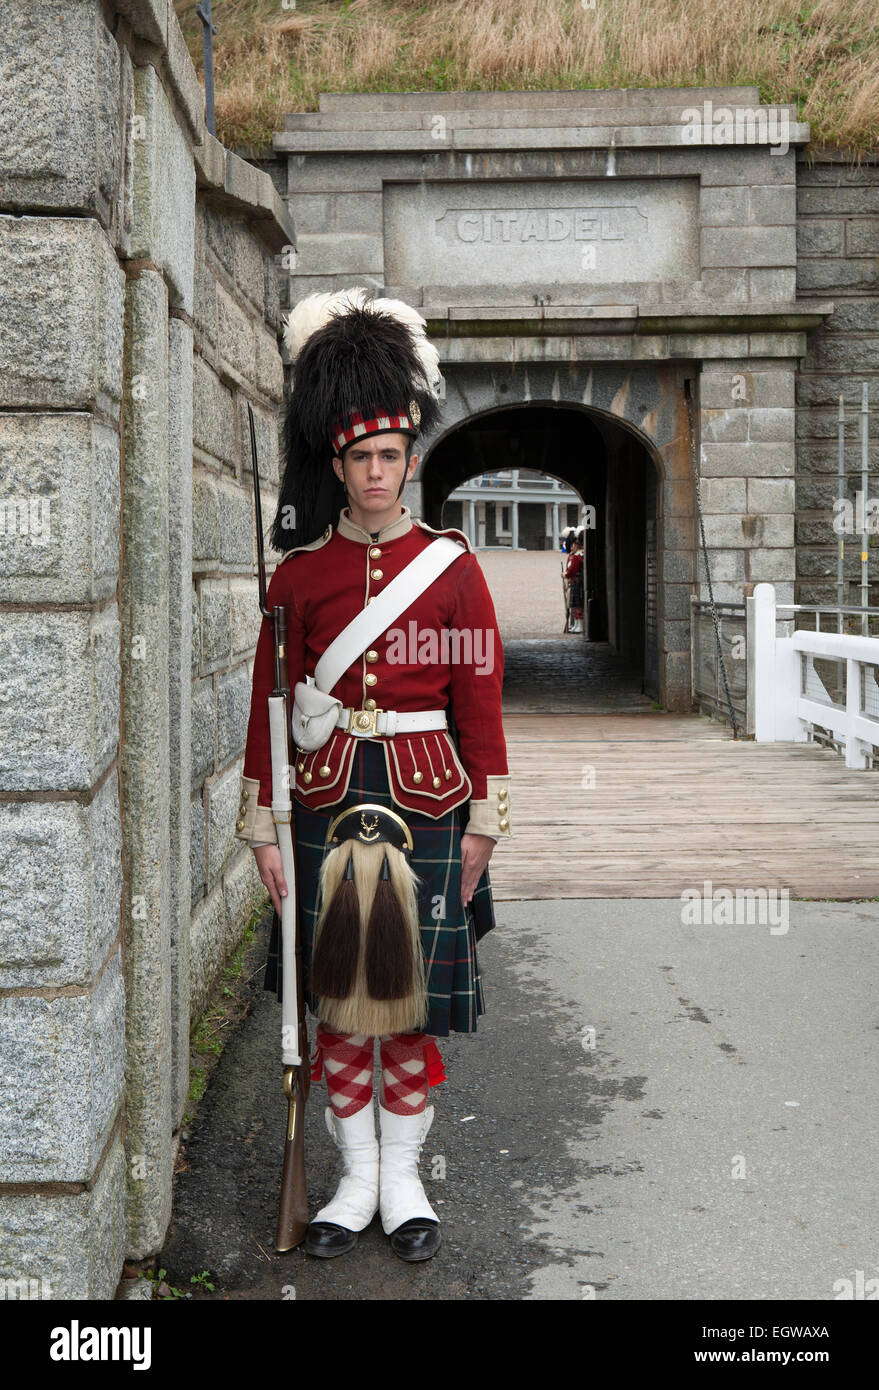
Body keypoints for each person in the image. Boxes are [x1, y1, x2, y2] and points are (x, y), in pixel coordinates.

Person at [235, 287, 512, 1263]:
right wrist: (265, 828)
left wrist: (486, 817)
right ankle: (354, 1180)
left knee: (411, 1006)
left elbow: (479, 695)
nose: (377, 474)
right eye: (360, 458)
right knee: (342, 1007)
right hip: (325, 800)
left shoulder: (453, 569)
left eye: (391, 456)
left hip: (431, 800)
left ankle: (405, 1179)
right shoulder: (298, 575)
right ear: (339, 463)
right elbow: (270, 713)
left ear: (407, 457)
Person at [565, 534, 585, 633]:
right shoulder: (575, 555)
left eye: (574, 545)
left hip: (577, 581)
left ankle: (580, 625)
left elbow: (573, 570)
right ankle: (576, 624)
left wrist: (566, 575)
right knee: (575, 605)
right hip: (575, 581)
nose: (572, 547)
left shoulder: (577, 556)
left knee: (578, 605)